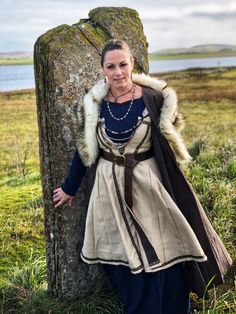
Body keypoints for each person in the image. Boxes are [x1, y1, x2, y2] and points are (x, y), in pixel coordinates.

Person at [53, 39, 232, 314]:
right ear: (102, 69)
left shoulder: (154, 99)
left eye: (123, 65)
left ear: (132, 63)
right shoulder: (94, 106)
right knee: (123, 258)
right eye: (111, 66)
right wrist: (69, 187)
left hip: (149, 187)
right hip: (108, 190)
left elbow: (169, 144)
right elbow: (83, 151)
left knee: (165, 249)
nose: (118, 72)